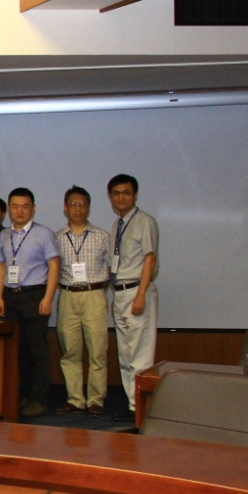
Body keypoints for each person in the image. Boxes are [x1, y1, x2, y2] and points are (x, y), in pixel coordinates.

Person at [0, 188, 60, 419]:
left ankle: (38, 399)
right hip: (11, 297)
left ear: (33, 209)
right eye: (15, 206)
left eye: (25, 206)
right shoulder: (4, 235)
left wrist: (48, 298)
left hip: (35, 295)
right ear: (9, 209)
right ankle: (22, 395)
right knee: (18, 350)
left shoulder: (43, 233)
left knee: (37, 350)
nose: (20, 211)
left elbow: (54, 266)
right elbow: (1, 266)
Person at [54, 186, 111, 416]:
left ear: (88, 207)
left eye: (82, 204)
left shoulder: (102, 236)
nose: (77, 209)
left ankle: (96, 399)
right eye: (73, 204)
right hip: (67, 295)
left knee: (97, 350)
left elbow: (112, 268)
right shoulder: (56, 238)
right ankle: (75, 399)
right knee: (70, 351)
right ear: (65, 208)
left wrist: (97, 291)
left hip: (93, 295)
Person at [108, 174, 158, 423]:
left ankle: (141, 408)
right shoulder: (117, 224)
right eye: (116, 193)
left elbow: (150, 259)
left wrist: (140, 295)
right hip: (120, 293)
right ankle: (132, 405)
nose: (121, 197)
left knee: (140, 355)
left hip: (138, 291)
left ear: (135, 195)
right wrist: (115, 293)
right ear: (110, 197)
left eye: (126, 192)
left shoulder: (144, 221)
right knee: (125, 355)